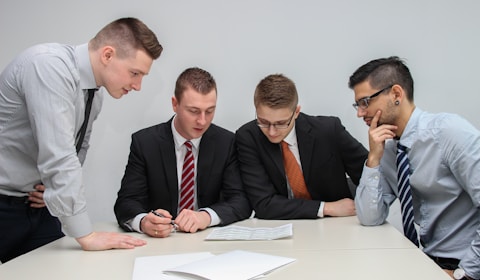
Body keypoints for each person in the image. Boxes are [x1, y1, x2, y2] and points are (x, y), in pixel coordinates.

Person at [0, 17, 163, 263]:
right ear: (107, 55)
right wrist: (86, 234)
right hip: (3, 203)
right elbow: (60, 156)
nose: (138, 85)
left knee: (61, 270)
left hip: (36, 205)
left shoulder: (94, 95)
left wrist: (53, 191)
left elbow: (78, 150)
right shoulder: (48, 66)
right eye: (135, 73)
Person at [349, 56, 480, 280]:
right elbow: (370, 217)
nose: (360, 113)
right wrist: (373, 158)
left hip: (465, 265)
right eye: (357, 105)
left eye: (365, 102)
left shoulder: (449, 132)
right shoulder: (390, 150)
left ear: (396, 94)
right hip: (427, 260)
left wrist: (465, 274)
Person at [114, 67, 252, 237]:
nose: (202, 121)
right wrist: (144, 222)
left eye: (209, 111)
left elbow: (241, 201)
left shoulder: (226, 142)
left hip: (206, 240)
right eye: (193, 111)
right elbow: (126, 202)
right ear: (175, 104)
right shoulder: (145, 143)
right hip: (160, 243)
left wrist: (206, 216)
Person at [235, 74, 368, 220]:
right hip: (281, 226)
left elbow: (369, 177)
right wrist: (326, 208)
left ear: (296, 112)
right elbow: (264, 204)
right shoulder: (248, 137)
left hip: (337, 225)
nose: (272, 132)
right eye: (263, 121)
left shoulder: (328, 130)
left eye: (281, 123)